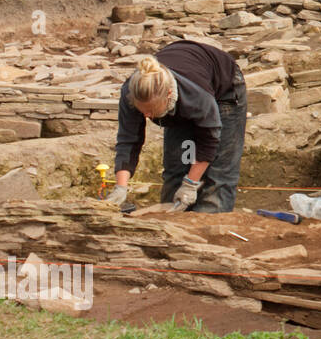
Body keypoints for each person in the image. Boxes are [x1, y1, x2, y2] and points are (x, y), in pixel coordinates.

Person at [105, 41, 248, 213]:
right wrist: (121, 187)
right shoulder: (133, 91)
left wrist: (190, 184)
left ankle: (205, 231)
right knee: (177, 167)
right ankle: (170, 224)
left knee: (217, 176)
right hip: (181, 101)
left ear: (169, 96)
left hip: (223, 92)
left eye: (151, 111)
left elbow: (209, 142)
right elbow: (128, 139)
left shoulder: (196, 97)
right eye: (143, 111)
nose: (147, 116)